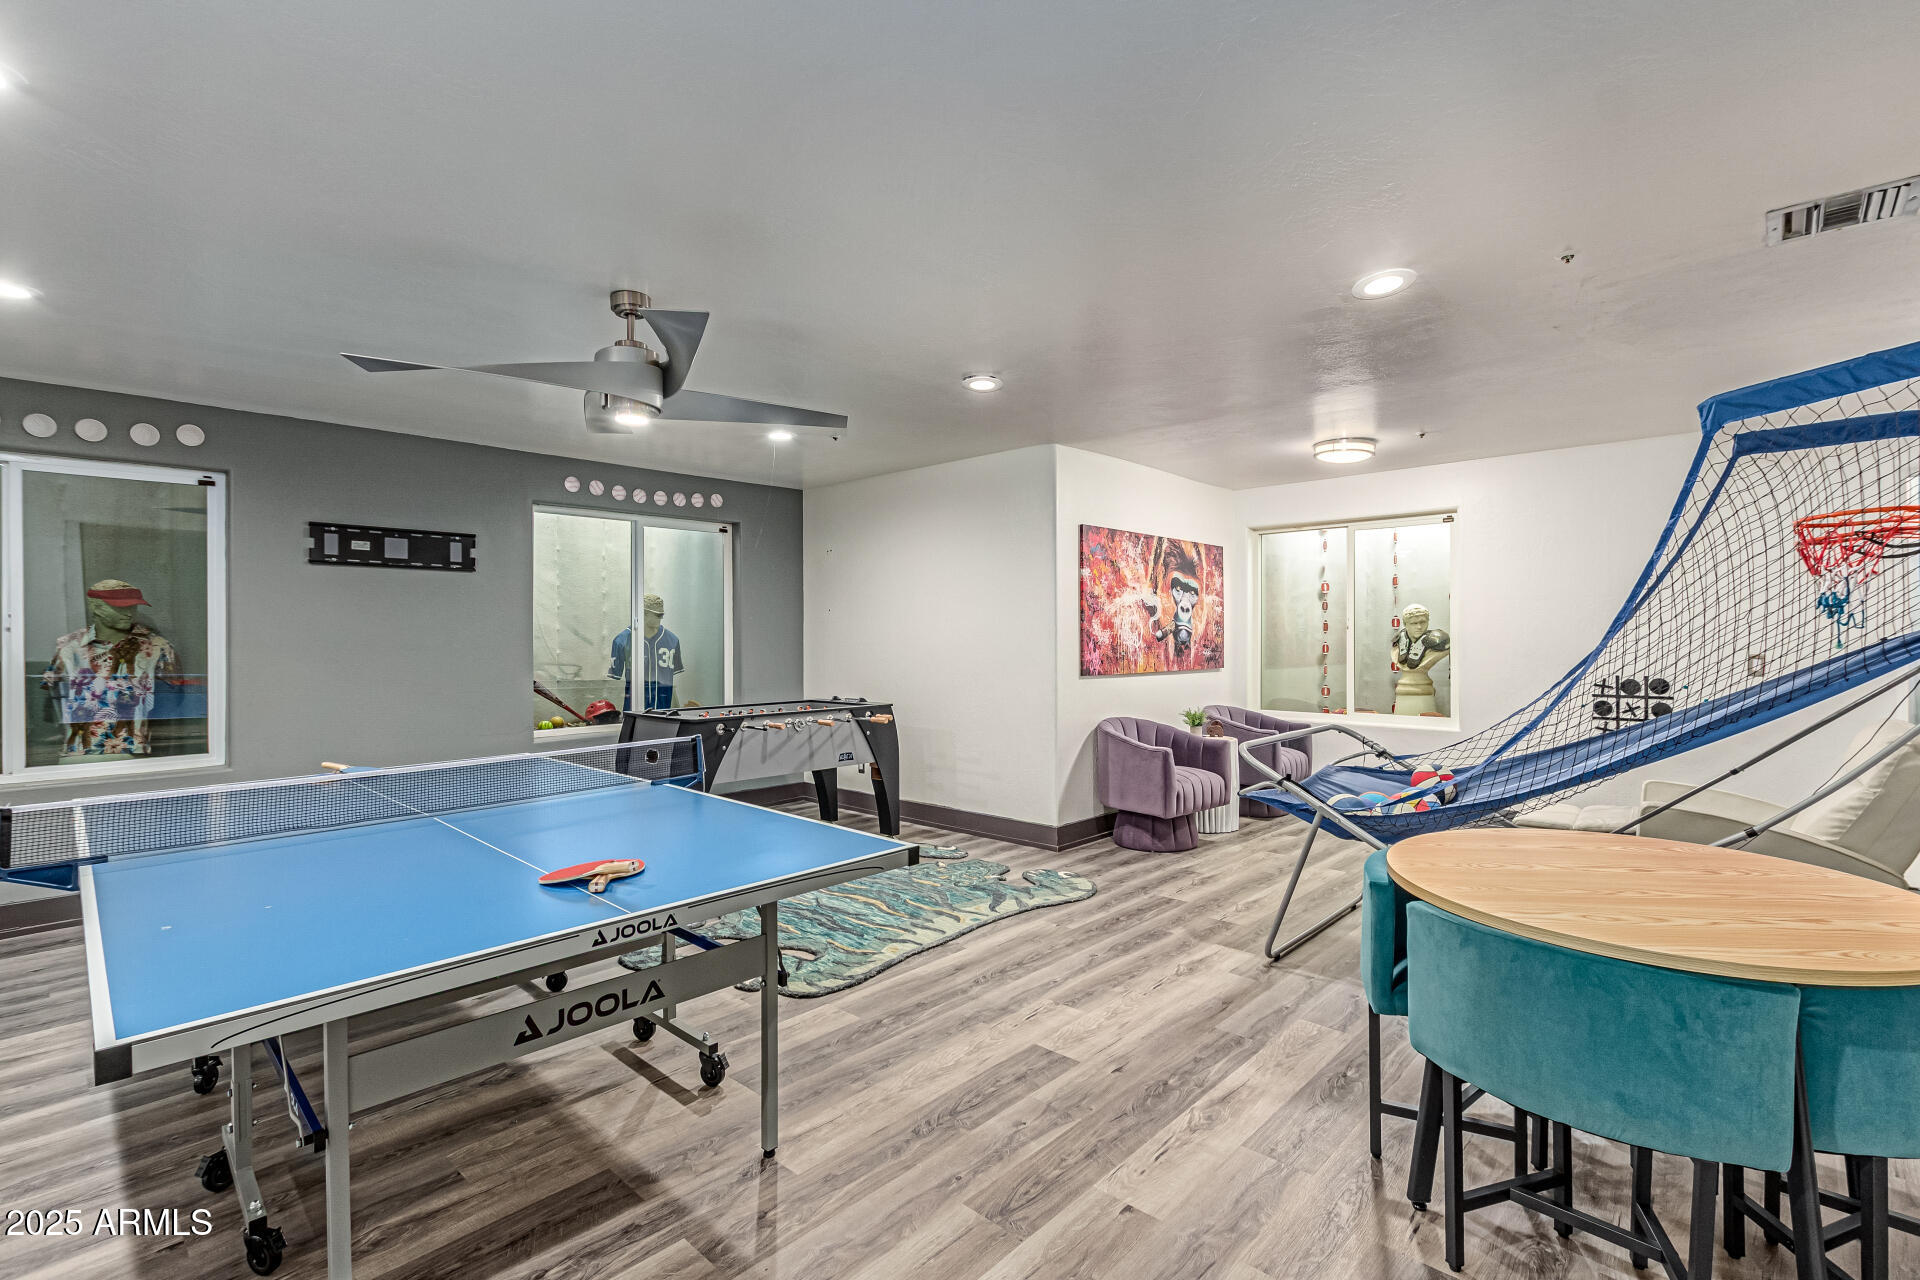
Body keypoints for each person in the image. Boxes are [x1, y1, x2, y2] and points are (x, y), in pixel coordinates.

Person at [40, 579, 180, 761]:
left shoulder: (157, 646)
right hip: (81, 749)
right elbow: (51, 695)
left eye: (133, 607)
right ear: (96, 607)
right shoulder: (68, 645)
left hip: (132, 749)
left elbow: (174, 700)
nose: (129, 613)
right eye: (120, 607)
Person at [609, 593, 686, 712]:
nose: (660, 618)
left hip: (663, 710)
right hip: (634, 710)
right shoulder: (622, 640)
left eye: (662, 615)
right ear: (643, 613)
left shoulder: (672, 641)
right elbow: (615, 681)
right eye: (657, 615)